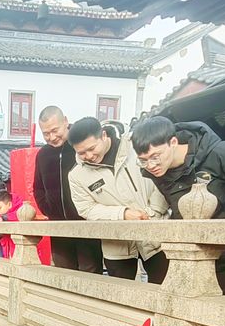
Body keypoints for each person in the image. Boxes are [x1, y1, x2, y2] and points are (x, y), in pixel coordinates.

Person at [131, 116, 225, 297]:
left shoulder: (223, 153)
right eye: (143, 160)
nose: (151, 165)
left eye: (156, 156)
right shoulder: (158, 172)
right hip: (201, 261)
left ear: (173, 142)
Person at [68, 117, 169, 284]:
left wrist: (153, 213)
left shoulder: (136, 146)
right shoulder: (77, 175)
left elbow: (163, 177)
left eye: (92, 148)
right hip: (116, 244)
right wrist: (123, 214)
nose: (89, 156)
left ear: (104, 135)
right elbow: (86, 209)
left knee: (164, 288)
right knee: (121, 294)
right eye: (81, 153)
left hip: (156, 233)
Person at [35, 105, 103, 273]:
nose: (51, 137)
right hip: (58, 225)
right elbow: (38, 188)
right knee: (63, 274)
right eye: (46, 133)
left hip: (86, 222)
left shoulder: (80, 147)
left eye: (54, 130)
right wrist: (49, 209)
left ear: (65, 121)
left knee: (91, 272)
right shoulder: (42, 155)